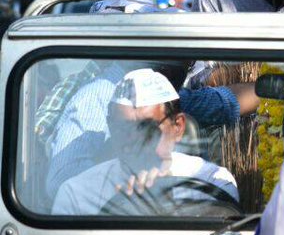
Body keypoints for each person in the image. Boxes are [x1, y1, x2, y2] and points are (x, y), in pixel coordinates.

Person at [52, 69, 239, 215]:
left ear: (178, 126)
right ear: (110, 125)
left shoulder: (212, 182)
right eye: (123, 128)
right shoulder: (77, 196)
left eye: (147, 127)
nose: (133, 138)